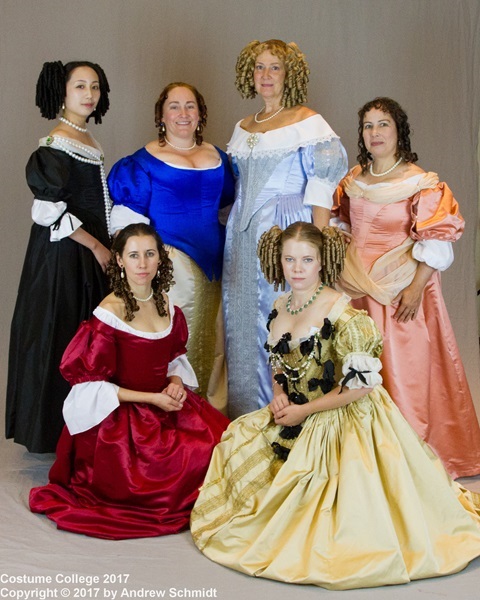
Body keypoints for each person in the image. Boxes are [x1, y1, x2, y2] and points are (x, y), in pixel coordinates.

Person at [190, 222, 480, 590]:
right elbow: (278, 362)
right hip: (294, 409)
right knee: (238, 442)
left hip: (341, 414)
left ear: (321, 261)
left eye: (306, 260)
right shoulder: (281, 305)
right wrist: (279, 393)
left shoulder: (343, 313)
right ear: (278, 261)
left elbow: (359, 388)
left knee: (329, 502)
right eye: (289, 259)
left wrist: (303, 411)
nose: (297, 268)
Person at [29, 223, 229, 540]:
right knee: (168, 468)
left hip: (166, 401)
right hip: (123, 418)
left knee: (221, 442)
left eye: (150, 254)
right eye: (133, 255)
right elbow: (91, 386)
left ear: (160, 259)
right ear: (120, 260)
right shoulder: (109, 313)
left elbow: (174, 356)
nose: (143, 263)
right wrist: (152, 399)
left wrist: (175, 380)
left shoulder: (166, 304)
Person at [333, 97, 480, 478]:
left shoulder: (421, 182)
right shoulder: (353, 180)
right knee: (352, 367)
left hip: (402, 288)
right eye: (368, 125)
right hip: (356, 288)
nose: (375, 132)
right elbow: (342, 228)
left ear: (399, 130)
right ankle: (361, 457)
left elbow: (436, 243)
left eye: (383, 124)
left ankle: (407, 460)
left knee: (405, 372)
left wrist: (415, 290)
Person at [223, 39, 348, 418]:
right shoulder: (243, 127)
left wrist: (318, 245)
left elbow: (322, 186)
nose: (266, 75)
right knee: (239, 321)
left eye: (274, 67)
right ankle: (246, 417)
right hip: (241, 239)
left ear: (289, 74)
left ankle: (283, 414)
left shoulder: (307, 123)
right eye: (259, 67)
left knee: (278, 314)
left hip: (285, 229)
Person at [6, 61, 112, 453]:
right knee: (63, 335)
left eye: (95, 87)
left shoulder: (86, 140)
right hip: (64, 258)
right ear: (62, 93)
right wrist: (98, 246)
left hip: (85, 253)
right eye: (80, 86)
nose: (89, 94)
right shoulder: (55, 143)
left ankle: (81, 435)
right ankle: (54, 434)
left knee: (85, 340)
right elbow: (47, 212)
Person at [108, 83, 234, 410]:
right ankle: (175, 418)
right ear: (161, 115)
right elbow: (124, 227)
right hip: (169, 265)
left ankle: (211, 415)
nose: (183, 113)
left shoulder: (219, 158)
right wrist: (144, 267)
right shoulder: (141, 164)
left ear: (200, 113)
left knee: (216, 339)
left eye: (190, 106)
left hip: (218, 264)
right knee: (177, 340)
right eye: (174, 106)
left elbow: (227, 210)